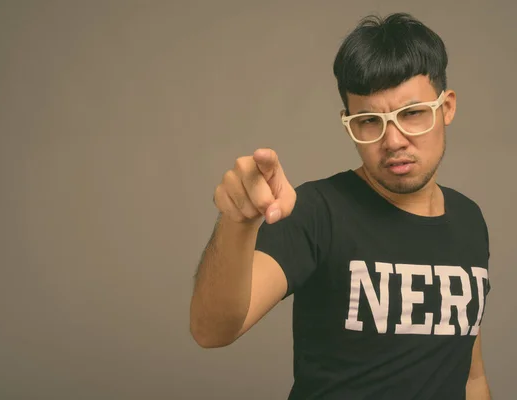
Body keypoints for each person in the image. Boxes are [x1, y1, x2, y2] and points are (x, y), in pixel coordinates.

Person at [190, 12, 492, 400]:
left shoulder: (469, 221)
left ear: (446, 107)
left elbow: (471, 378)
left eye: (412, 114)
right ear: (349, 123)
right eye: (370, 121)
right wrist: (236, 221)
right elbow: (211, 330)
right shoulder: (316, 211)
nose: (394, 139)